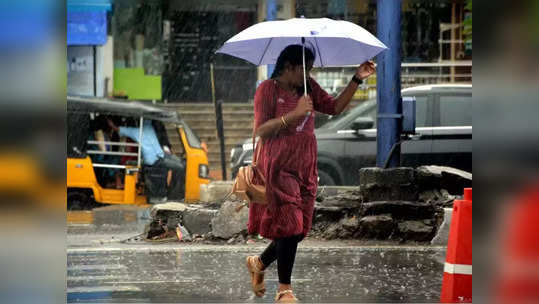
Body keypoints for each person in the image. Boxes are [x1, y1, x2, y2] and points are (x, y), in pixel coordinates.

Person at [245, 44, 375, 302]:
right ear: (289, 67)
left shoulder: (309, 87)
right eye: (306, 69)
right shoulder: (267, 90)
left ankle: (258, 262)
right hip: (278, 166)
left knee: (299, 230)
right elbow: (261, 130)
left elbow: (335, 107)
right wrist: (293, 115)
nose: (309, 74)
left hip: (305, 165)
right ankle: (284, 291)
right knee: (290, 226)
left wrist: (357, 79)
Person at [107, 118, 185, 202]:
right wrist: (111, 124)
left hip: (161, 156)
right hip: (154, 160)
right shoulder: (136, 131)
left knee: (181, 164)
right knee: (179, 167)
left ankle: (172, 194)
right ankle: (173, 196)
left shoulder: (149, 127)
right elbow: (119, 129)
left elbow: (119, 129)